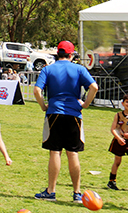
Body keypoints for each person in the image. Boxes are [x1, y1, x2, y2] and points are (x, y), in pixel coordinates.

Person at [33, 40, 98, 203]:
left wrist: (43, 106)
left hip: (54, 112)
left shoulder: (48, 69)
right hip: (74, 114)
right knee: (72, 152)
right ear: (71, 54)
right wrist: (86, 104)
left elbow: (36, 90)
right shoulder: (79, 69)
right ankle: (77, 193)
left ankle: (51, 192)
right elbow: (94, 87)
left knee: (55, 152)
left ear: (58, 53)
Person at [107, 94, 128, 190]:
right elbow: (113, 129)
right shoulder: (118, 115)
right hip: (120, 140)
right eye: (127, 102)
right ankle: (112, 181)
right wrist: (119, 138)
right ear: (123, 103)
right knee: (117, 161)